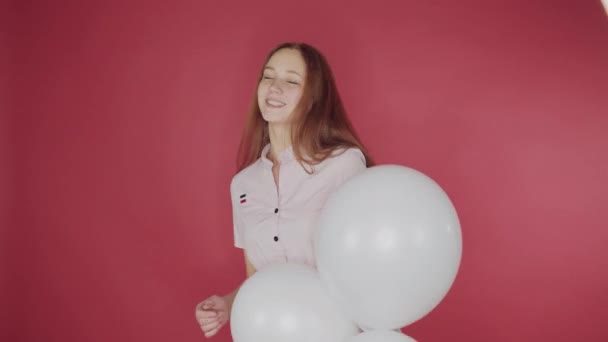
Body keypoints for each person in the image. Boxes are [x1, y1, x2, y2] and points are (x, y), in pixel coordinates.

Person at [194, 42, 374, 338]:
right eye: (268, 77)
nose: (274, 87)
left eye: (291, 81)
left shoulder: (344, 164)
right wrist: (227, 305)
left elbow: (364, 263)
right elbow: (260, 276)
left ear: (313, 98)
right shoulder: (243, 185)